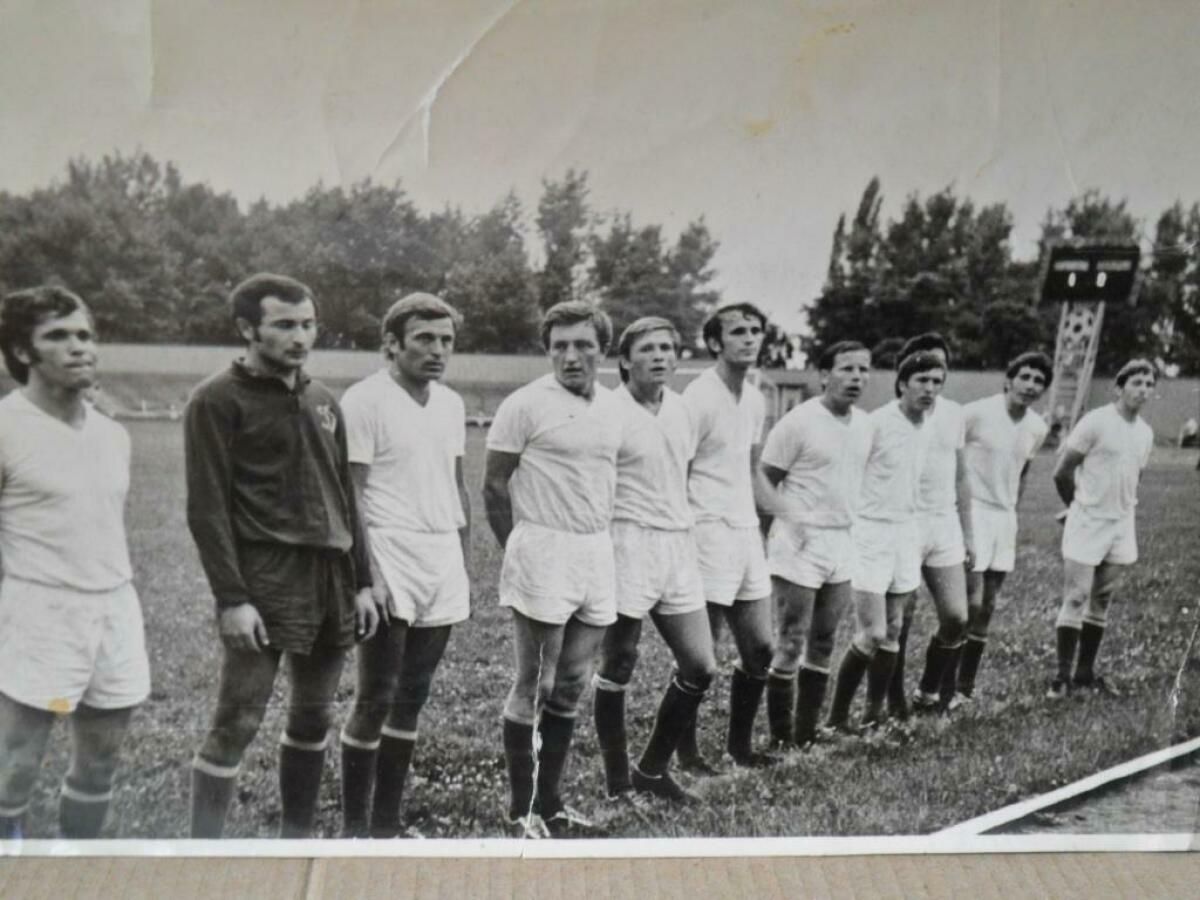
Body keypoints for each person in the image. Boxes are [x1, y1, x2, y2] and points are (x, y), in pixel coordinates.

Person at [185, 273, 377, 839]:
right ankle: (202, 856)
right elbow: (207, 509)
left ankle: (295, 841)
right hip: (266, 577)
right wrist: (233, 599)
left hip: (331, 578)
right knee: (238, 720)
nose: (300, 337)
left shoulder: (323, 400)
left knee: (314, 714)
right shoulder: (216, 399)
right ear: (248, 329)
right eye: (285, 325)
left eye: (308, 324)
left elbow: (346, 498)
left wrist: (364, 582)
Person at [0, 286, 150, 840]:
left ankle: (74, 866)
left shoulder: (113, 434)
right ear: (23, 351)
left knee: (100, 763)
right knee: (13, 768)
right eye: (58, 336)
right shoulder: (6, 427)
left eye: (85, 335)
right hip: (39, 612)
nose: (79, 347)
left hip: (114, 609)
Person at [483, 301, 622, 839]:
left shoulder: (613, 407)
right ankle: (522, 811)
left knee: (571, 683)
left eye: (583, 344)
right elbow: (494, 484)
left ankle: (553, 804)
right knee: (536, 684)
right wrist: (518, 548)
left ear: (602, 349)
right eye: (559, 346)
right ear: (547, 350)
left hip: (595, 552)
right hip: (544, 548)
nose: (571, 356)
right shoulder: (524, 404)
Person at [337, 293, 470, 838]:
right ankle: (354, 830)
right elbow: (352, 494)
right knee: (377, 695)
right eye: (425, 339)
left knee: (414, 693)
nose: (438, 350)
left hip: (440, 555)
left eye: (446, 341)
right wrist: (368, 576)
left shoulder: (452, 404)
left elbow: (455, 485)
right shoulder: (364, 400)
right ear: (392, 344)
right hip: (388, 551)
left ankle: (387, 824)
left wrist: (461, 561)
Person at [593, 317, 717, 805]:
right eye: (647, 349)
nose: (660, 356)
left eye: (668, 347)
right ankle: (618, 782)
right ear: (625, 360)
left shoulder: (683, 410)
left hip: (676, 545)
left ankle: (651, 769)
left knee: (700, 666)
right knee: (620, 660)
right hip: (626, 542)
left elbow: (680, 474)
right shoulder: (608, 410)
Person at [676, 303, 778, 771]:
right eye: (738, 331)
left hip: (745, 534)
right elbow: (678, 471)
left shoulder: (755, 399)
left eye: (755, 330)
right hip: (706, 531)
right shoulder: (697, 398)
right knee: (702, 653)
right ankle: (686, 752)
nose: (749, 338)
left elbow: (751, 470)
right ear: (716, 342)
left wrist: (786, 515)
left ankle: (740, 747)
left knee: (761, 648)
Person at [761, 341, 872, 748]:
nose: (856, 377)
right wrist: (782, 528)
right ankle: (781, 739)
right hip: (799, 543)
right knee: (791, 639)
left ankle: (806, 734)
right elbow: (764, 481)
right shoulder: (798, 423)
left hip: (841, 540)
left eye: (863, 370)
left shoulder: (866, 425)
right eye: (846, 368)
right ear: (824, 375)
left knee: (824, 640)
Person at [826, 351, 944, 732]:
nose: (929, 389)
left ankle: (873, 714)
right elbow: (846, 473)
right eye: (922, 381)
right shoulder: (875, 424)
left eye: (936, 382)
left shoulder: (928, 425)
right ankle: (835, 719)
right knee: (873, 632)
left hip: (905, 532)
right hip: (870, 531)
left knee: (893, 629)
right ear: (902, 384)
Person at [1047, 359, 1156, 700]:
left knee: (1102, 598)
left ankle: (1084, 674)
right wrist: (1076, 507)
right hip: (1088, 520)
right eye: (1136, 383)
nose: (1143, 390)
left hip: (1121, 523)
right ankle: (1061, 678)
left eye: (1148, 384)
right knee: (1076, 596)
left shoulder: (1145, 432)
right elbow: (1062, 472)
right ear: (1119, 388)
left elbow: (1134, 477)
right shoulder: (1096, 421)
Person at [949, 352, 1052, 702]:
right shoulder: (976, 413)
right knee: (970, 604)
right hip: (974, 512)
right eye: (1025, 377)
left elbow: (1022, 473)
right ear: (1009, 379)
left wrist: (1013, 510)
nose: (1030, 386)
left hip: (1004, 518)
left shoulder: (1037, 427)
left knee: (988, 606)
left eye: (1038, 381)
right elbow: (950, 457)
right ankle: (945, 685)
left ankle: (965, 687)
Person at [888, 334, 972, 717]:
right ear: (904, 374)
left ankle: (929, 690)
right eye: (922, 370)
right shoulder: (887, 419)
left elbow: (961, 476)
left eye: (939, 371)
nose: (931, 381)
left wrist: (968, 532)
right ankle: (893, 700)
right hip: (903, 523)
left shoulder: (953, 414)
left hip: (943, 522)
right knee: (900, 620)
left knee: (956, 617)